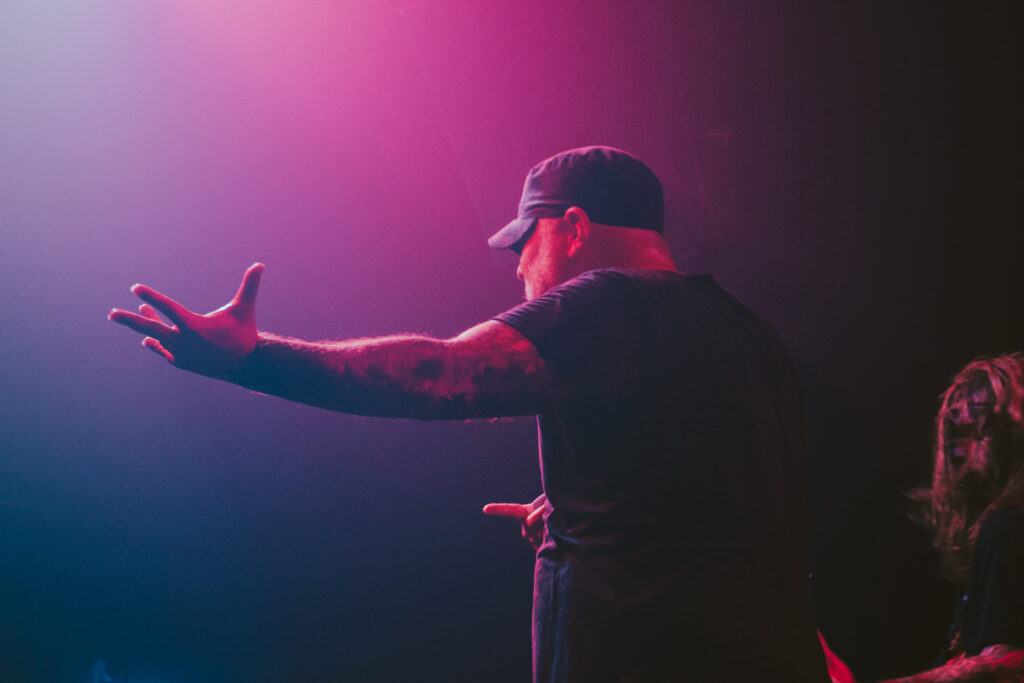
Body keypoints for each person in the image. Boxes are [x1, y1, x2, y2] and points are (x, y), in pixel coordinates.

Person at [109, 146, 828, 682]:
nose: (518, 268)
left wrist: (253, 358)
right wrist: (583, 514)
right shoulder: (754, 338)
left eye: (525, 243)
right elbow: (718, 511)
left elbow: (442, 374)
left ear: (573, 227)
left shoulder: (607, 301)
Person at [820, 353, 1024, 682]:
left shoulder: (1006, 526)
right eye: (954, 433)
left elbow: (1008, 665)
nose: (957, 449)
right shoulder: (996, 528)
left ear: (1012, 433)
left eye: (977, 429)